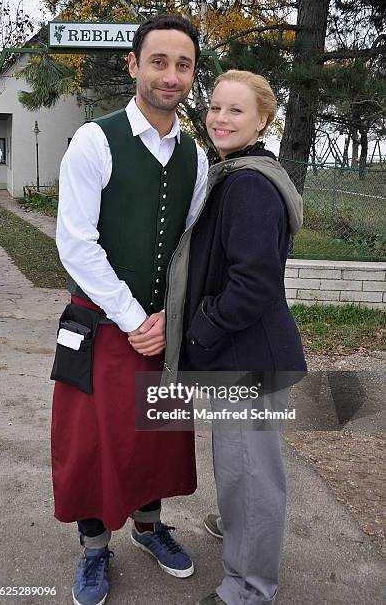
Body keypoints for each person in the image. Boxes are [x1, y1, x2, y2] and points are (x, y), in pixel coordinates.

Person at [51, 14, 208, 605]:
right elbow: (76, 242)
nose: (171, 75)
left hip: (161, 327)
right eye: (160, 61)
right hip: (101, 324)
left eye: (184, 64)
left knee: (157, 435)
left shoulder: (195, 156)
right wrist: (131, 316)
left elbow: (189, 245)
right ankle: (93, 552)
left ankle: (148, 528)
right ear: (134, 65)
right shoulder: (96, 139)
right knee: (92, 441)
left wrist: (169, 316)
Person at [162, 70, 307, 605]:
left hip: (247, 359)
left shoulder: (247, 184)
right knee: (245, 471)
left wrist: (202, 329)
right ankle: (243, 531)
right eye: (215, 107)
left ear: (264, 120)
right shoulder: (241, 172)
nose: (220, 118)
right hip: (247, 355)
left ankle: (248, 588)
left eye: (236, 111)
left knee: (250, 476)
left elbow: (254, 283)